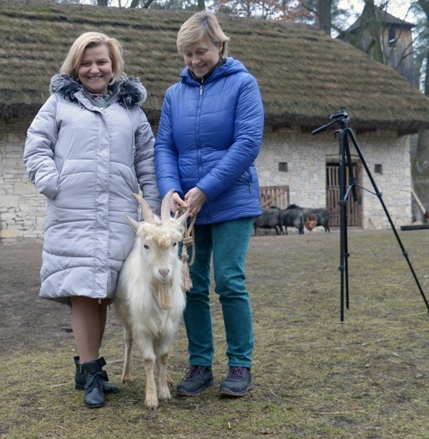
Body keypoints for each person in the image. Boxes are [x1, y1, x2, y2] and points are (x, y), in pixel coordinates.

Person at [23, 31, 160, 409]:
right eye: (86, 62)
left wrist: (151, 209)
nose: (94, 68)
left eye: (101, 61)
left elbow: (146, 162)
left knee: (103, 291)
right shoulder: (58, 104)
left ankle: (88, 370)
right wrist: (53, 182)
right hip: (73, 212)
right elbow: (36, 145)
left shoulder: (131, 111)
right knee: (83, 290)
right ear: (75, 66)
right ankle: (92, 371)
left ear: (113, 66)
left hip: (119, 215)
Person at [154, 11, 264, 398]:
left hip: (232, 200)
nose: (194, 61)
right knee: (192, 285)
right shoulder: (174, 94)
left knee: (229, 281)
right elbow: (165, 145)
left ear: (219, 45)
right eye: (187, 55)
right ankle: (200, 364)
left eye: (200, 52)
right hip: (187, 207)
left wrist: (205, 189)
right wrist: (170, 189)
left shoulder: (243, 85)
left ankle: (240, 365)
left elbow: (247, 143)